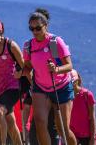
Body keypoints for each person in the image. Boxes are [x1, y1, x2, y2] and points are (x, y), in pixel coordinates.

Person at [22, 8, 77, 145]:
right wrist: (22, 71)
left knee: (62, 128)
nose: (34, 31)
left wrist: (56, 69)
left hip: (62, 86)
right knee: (40, 123)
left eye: (38, 28)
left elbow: (69, 66)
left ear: (46, 26)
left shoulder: (56, 42)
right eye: (31, 28)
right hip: (40, 87)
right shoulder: (28, 46)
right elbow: (28, 65)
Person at [70, 70, 96, 145]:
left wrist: (93, 138)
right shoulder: (66, 97)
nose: (71, 84)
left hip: (87, 138)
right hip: (72, 136)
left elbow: (92, 118)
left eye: (72, 81)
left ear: (77, 80)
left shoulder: (87, 95)